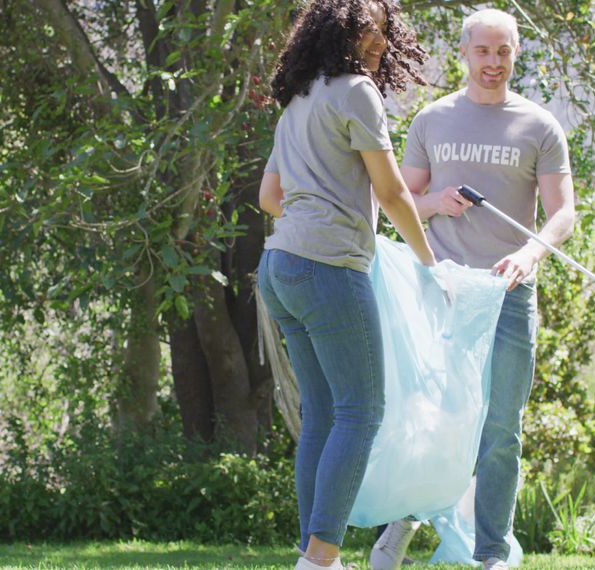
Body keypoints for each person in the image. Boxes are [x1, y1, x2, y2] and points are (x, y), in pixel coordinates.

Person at [369, 8, 576, 570]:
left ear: (515, 54)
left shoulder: (539, 126)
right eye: (483, 51)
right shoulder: (432, 121)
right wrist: (436, 202)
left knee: (501, 428)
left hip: (508, 294)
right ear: (463, 52)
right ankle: (400, 527)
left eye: (503, 51)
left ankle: (491, 555)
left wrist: (531, 251)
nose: (493, 62)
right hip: (442, 289)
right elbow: (398, 201)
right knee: (430, 412)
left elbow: (563, 214)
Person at [256, 1, 436, 568]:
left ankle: (313, 557)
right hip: (328, 267)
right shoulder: (357, 91)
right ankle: (320, 559)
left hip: (279, 267)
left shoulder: (299, 100)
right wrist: (428, 263)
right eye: (367, 30)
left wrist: (319, 204)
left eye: (385, 31)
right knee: (362, 411)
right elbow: (391, 192)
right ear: (337, 32)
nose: (379, 41)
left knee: (324, 413)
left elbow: (269, 197)